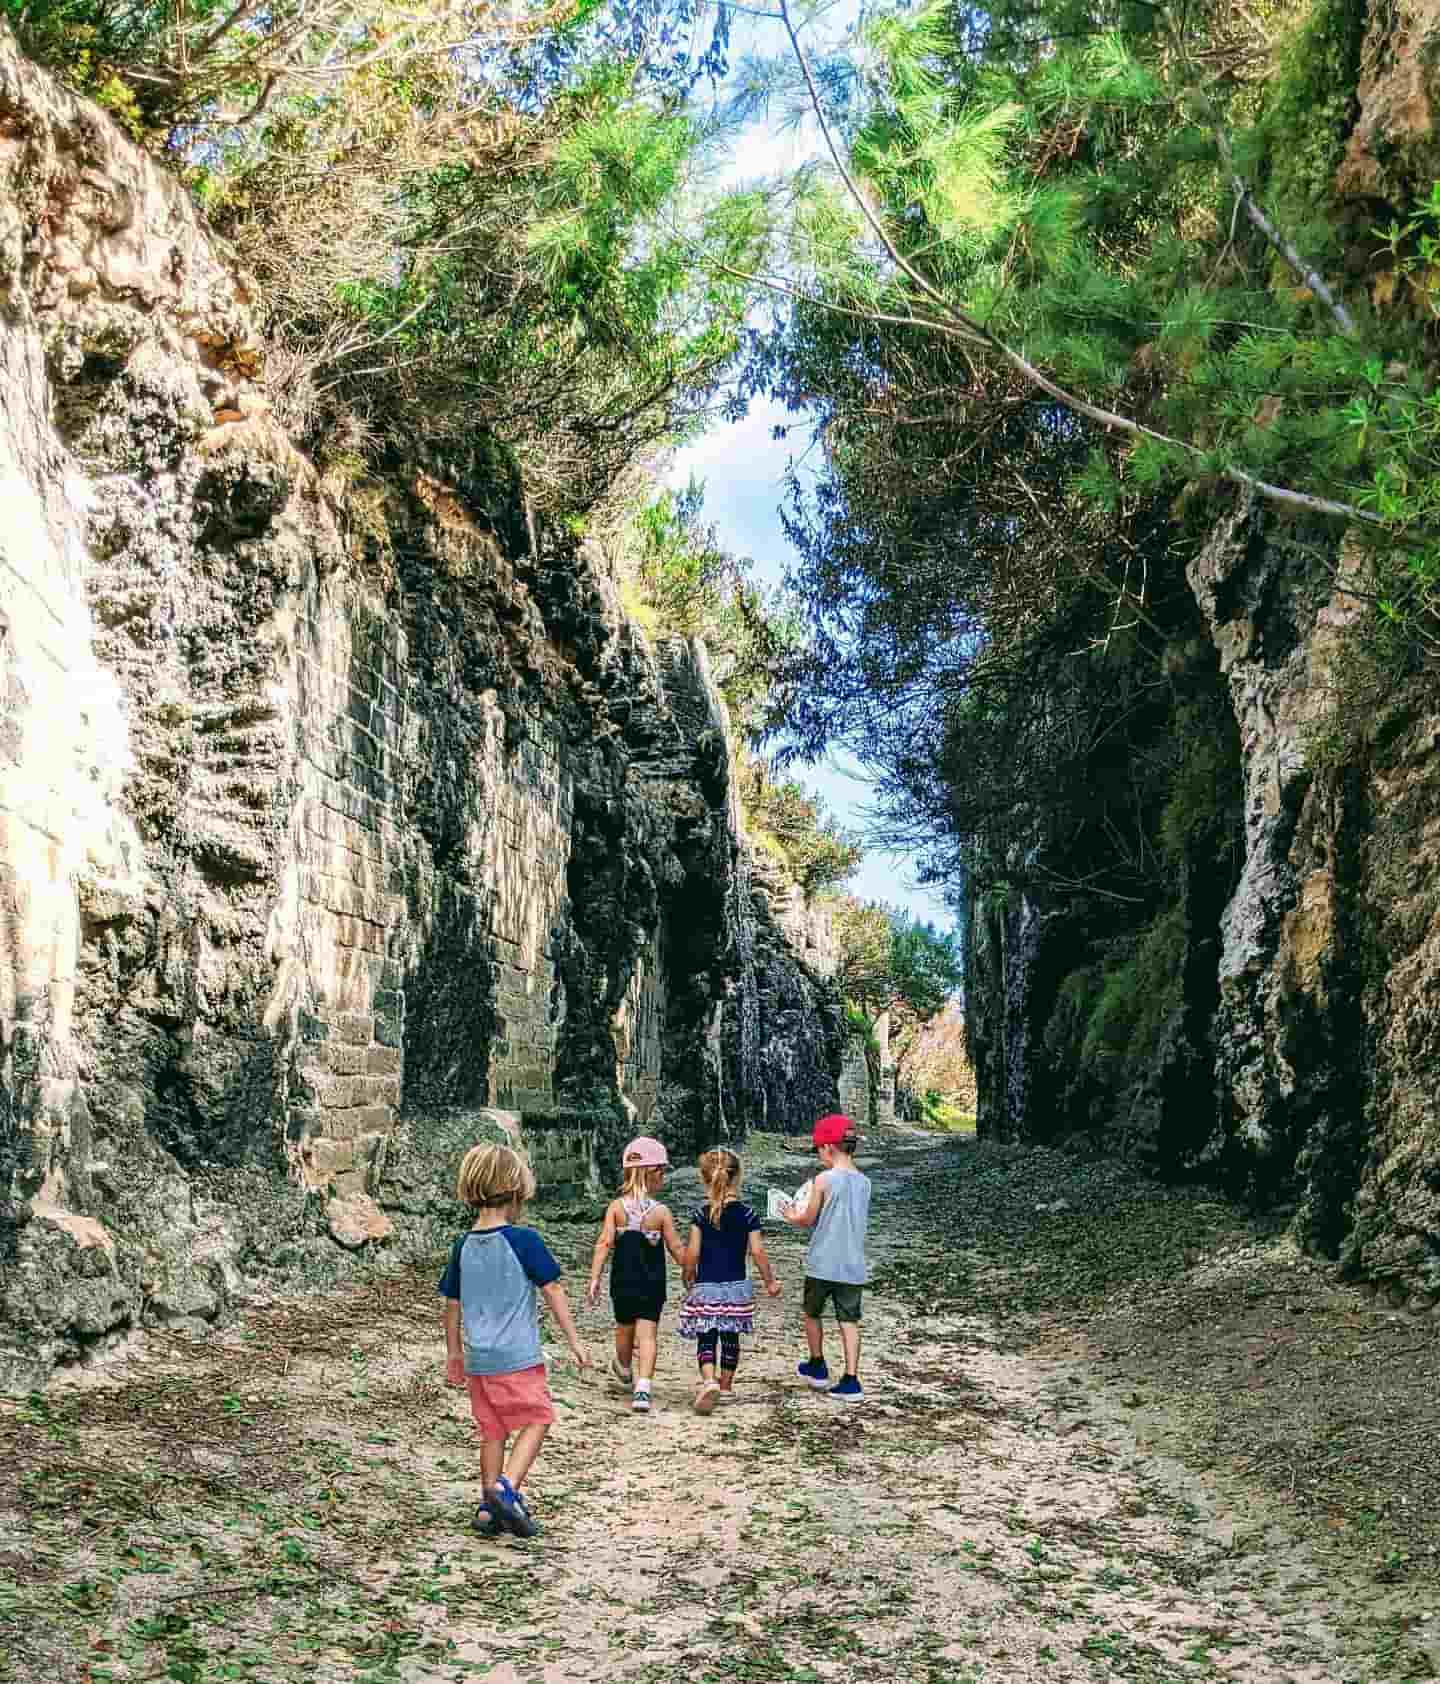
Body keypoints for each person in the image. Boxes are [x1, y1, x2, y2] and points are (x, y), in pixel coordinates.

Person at [440, 1142, 591, 1539]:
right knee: (538, 1418)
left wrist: (454, 1352)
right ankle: (507, 1489)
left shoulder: (462, 1246)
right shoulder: (524, 1241)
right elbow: (553, 1290)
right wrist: (574, 1341)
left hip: (479, 1360)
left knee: (492, 1430)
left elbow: (451, 1305)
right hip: (517, 1357)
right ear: (515, 1190)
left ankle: (488, 1508)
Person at [585, 1136, 687, 1412]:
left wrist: (594, 1277)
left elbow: (604, 1243)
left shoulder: (616, 1208)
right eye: (662, 1171)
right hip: (652, 1284)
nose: (664, 1176)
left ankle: (624, 1368)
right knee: (648, 1336)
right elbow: (677, 1248)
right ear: (652, 1173)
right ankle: (643, 1388)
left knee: (624, 1330)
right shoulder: (661, 1212)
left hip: (623, 1282)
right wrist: (692, 1272)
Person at [678, 1148, 781, 1414]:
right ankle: (725, 1386)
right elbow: (757, 1252)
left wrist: (687, 1274)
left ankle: (708, 1380)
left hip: (707, 1286)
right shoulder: (748, 1215)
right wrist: (770, 1281)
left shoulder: (701, 1215)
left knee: (706, 1337)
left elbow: (693, 1252)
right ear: (738, 1178)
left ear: (704, 1179)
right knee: (731, 1337)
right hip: (736, 1288)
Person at [783, 1113, 871, 1402]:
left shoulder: (823, 1179)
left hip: (822, 1261)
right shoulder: (864, 1182)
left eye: (819, 1149)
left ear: (829, 1148)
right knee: (849, 1320)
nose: (819, 1154)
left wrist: (790, 1215)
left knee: (812, 1312)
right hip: (852, 1264)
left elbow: (808, 1218)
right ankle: (851, 1378)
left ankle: (818, 1365)